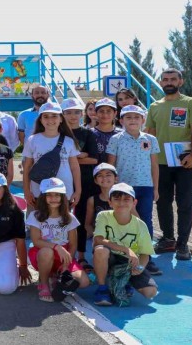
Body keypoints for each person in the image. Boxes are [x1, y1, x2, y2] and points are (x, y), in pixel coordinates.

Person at [145, 68, 192, 261]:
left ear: (180, 82)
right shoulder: (154, 106)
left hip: (185, 162)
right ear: (161, 82)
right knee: (162, 202)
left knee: (185, 203)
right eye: (165, 79)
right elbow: (150, 133)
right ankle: (168, 239)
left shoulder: (191, 103)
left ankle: (183, 244)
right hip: (160, 163)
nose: (168, 82)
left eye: (173, 79)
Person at [106, 105, 161, 275]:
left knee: (145, 221)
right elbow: (111, 165)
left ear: (143, 120)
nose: (133, 120)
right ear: (121, 120)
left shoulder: (150, 139)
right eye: (128, 117)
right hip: (124, 188)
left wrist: (156, 188)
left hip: (145, 186)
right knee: (124, 220)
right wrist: (111, 187)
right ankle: (123, 256)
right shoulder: (116, 139)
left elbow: (154, 165)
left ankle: (147, 257)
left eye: (137, 117)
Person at [93, 183, 158, 306]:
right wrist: (126, 250)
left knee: (150, 292)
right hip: (110, 257)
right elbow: (98, 239)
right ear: (110, 202)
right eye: (117, 199)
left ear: (134, 203)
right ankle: (102, 288)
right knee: (101, 250)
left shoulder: (140, 225)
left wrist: (139, 269)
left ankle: (124, 281)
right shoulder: (103, 216)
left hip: (129, 263)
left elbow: (145, 253)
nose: (121, 203)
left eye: (126, 199)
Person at [27, 178, 89, 302]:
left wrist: (66, 264)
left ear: (63, 197)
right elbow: (36, 241)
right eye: (49, 195)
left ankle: (56, 275)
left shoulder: (69, 217)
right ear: (43, 197)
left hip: (64, 255)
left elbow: (73, 244)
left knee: (84, 282)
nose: (53, 198)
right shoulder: (35, 216)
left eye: (57, 195)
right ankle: (44, 283)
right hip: (42, 252)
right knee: (47, 252)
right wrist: (57, 247)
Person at [21, 102, 82, 210]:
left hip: (64, 191)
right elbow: (27, 167)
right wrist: (26, 191)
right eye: (46, 116)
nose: (50, 120)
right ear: (40, 120)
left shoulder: (69, 141)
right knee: (37, 219)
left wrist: (78, 190)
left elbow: (75, 167)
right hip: (38, 191)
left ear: (61, 119)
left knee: (63, 220)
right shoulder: (32, 140)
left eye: (54, 116)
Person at [60, 98, 99, 266]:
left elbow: (94, 159)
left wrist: (69, 158)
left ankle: (81, 256)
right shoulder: (58, 133)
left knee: (81, 219)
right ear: (62, 115)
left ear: (82, 114)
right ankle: (62, 254)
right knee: (60, 218)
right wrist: (79, 156)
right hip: (62, 181)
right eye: (68, 112)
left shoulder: (88, 133)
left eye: (76, 112)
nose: (73, 116)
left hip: (84, 181)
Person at [85, 164, 119, 243]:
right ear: (95, 180)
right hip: (100, 239)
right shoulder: (92, 200)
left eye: (108, 175)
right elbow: (87, 225)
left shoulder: (124, 199)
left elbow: (136, 221)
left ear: (116, 179)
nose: (104, 178)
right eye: (100, 175)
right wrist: (97, 237)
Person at [91, 98, 122, 164]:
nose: (105, 115)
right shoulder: (89, 133)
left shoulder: (122, 134)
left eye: (109, 111)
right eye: (101, 111)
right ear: (96, 113)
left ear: (115, 113)